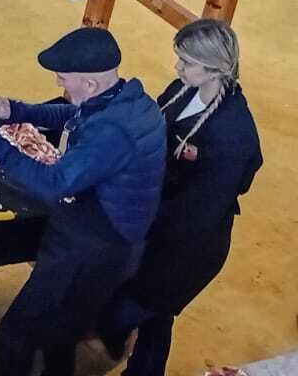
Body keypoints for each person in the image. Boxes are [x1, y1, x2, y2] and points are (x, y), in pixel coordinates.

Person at [0, 26, 165, 376]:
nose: (59, 84)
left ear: (90, 83)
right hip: (114, 243)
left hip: (92, 248)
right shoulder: (128, 100)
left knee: (16, 333)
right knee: (60, 333)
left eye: (63, 78)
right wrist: (14, 111)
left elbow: (53, 184)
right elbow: (74, 115)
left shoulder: (112, 133)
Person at [96, 19, 261, 376]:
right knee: (156, 318)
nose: (177, 68)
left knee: (120, 312)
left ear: (215, 68)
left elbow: (200, 213)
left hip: (187, 249)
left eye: (187, 62)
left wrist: (138, 221)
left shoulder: (231, 135)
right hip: (162, 225)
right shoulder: (182, 89)